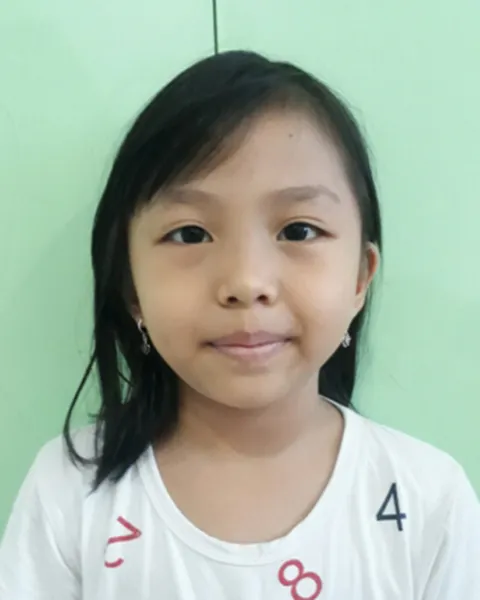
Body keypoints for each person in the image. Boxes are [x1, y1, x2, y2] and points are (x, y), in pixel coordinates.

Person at [0, 50, 479, 600]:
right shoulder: (69, 491)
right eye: (190, 234)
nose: (246, 281)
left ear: (358, 279)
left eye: (298, 231)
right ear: (132, 288)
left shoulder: (428, 501)